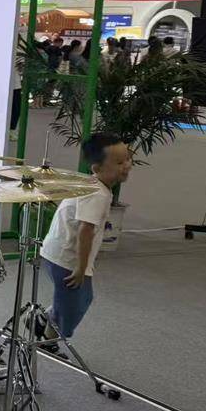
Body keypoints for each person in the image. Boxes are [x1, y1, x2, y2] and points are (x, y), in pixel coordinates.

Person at [36, 132, 133, 351]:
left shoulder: (96, 186)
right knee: (74, 305)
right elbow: (85, 231)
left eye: (127, 159)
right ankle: (47, 340)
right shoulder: (97, 193)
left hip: (62, 253)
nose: (126, 165)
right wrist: (81, 267)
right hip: (66, 258)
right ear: (97, 168)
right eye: (119, 162)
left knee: (77, 299)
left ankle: (43, 320)